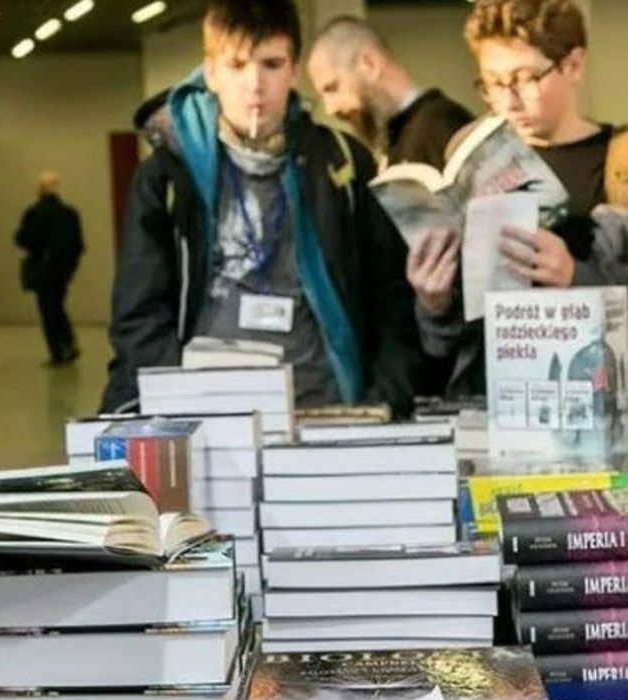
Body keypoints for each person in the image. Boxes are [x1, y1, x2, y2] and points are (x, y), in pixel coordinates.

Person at [100, 0, 422, 415]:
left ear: (294, 69)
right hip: (206, 418)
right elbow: (139, 316)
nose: (255, 84)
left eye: (271, 64)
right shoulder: (166, 178)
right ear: (211, 73)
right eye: (237, 65)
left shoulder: (343, 166)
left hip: (324, 413)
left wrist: (383, 400)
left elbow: (392, 298)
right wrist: (171, 412)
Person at [407, 0, 628, 397]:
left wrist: (576, 278)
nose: (508, 101)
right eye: (492, 83)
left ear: (573, 66)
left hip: (599, 406)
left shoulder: (620, 162)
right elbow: (448, 346)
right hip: (494, 402)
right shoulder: (472, 166)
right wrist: (434, 304)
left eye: (525, 79)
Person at [307, 15, 473, 169]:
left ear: (370, 64)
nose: (330, 109)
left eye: (332, 88)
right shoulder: (394, 139)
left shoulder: (439, 124)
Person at [15, 171, 85, 366]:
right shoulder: (70, 214)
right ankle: (68, 342)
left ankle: (58, 351)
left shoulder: (34, 213)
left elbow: (22, 239)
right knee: (59, 306)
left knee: (48, 311)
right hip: (62, 272)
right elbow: (78, 244)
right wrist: (70, 267)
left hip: (42, 270)